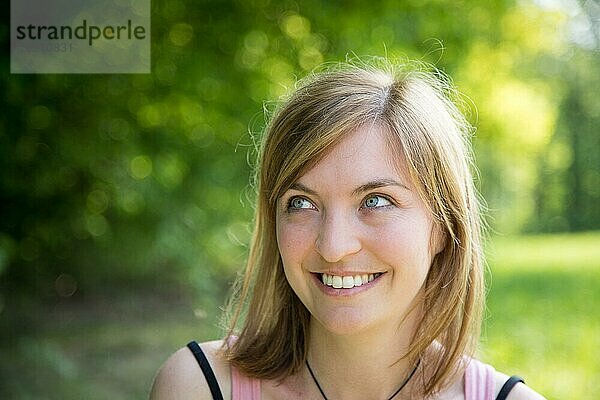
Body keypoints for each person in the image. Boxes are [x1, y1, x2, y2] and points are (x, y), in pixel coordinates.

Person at [150, 59, 546, 400]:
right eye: (301, 204)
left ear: (443, 226)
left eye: (375, 201)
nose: (334, 246)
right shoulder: (198, 386)